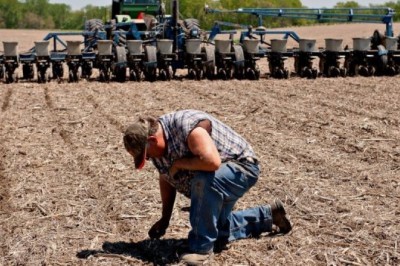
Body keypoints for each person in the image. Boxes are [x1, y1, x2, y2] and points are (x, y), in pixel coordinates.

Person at [123, 109, 292, 265]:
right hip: (217, 177)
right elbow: (166, 178)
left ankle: (201, 249)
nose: (150, 158)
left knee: (202, 180)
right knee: (215, 230)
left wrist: (180, 163)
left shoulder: (186, 127)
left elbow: (212, 162)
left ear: (152, 140)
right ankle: (268, 216)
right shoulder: (157, 149)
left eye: (148, 155)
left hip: (242, 168)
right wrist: (164, 218)